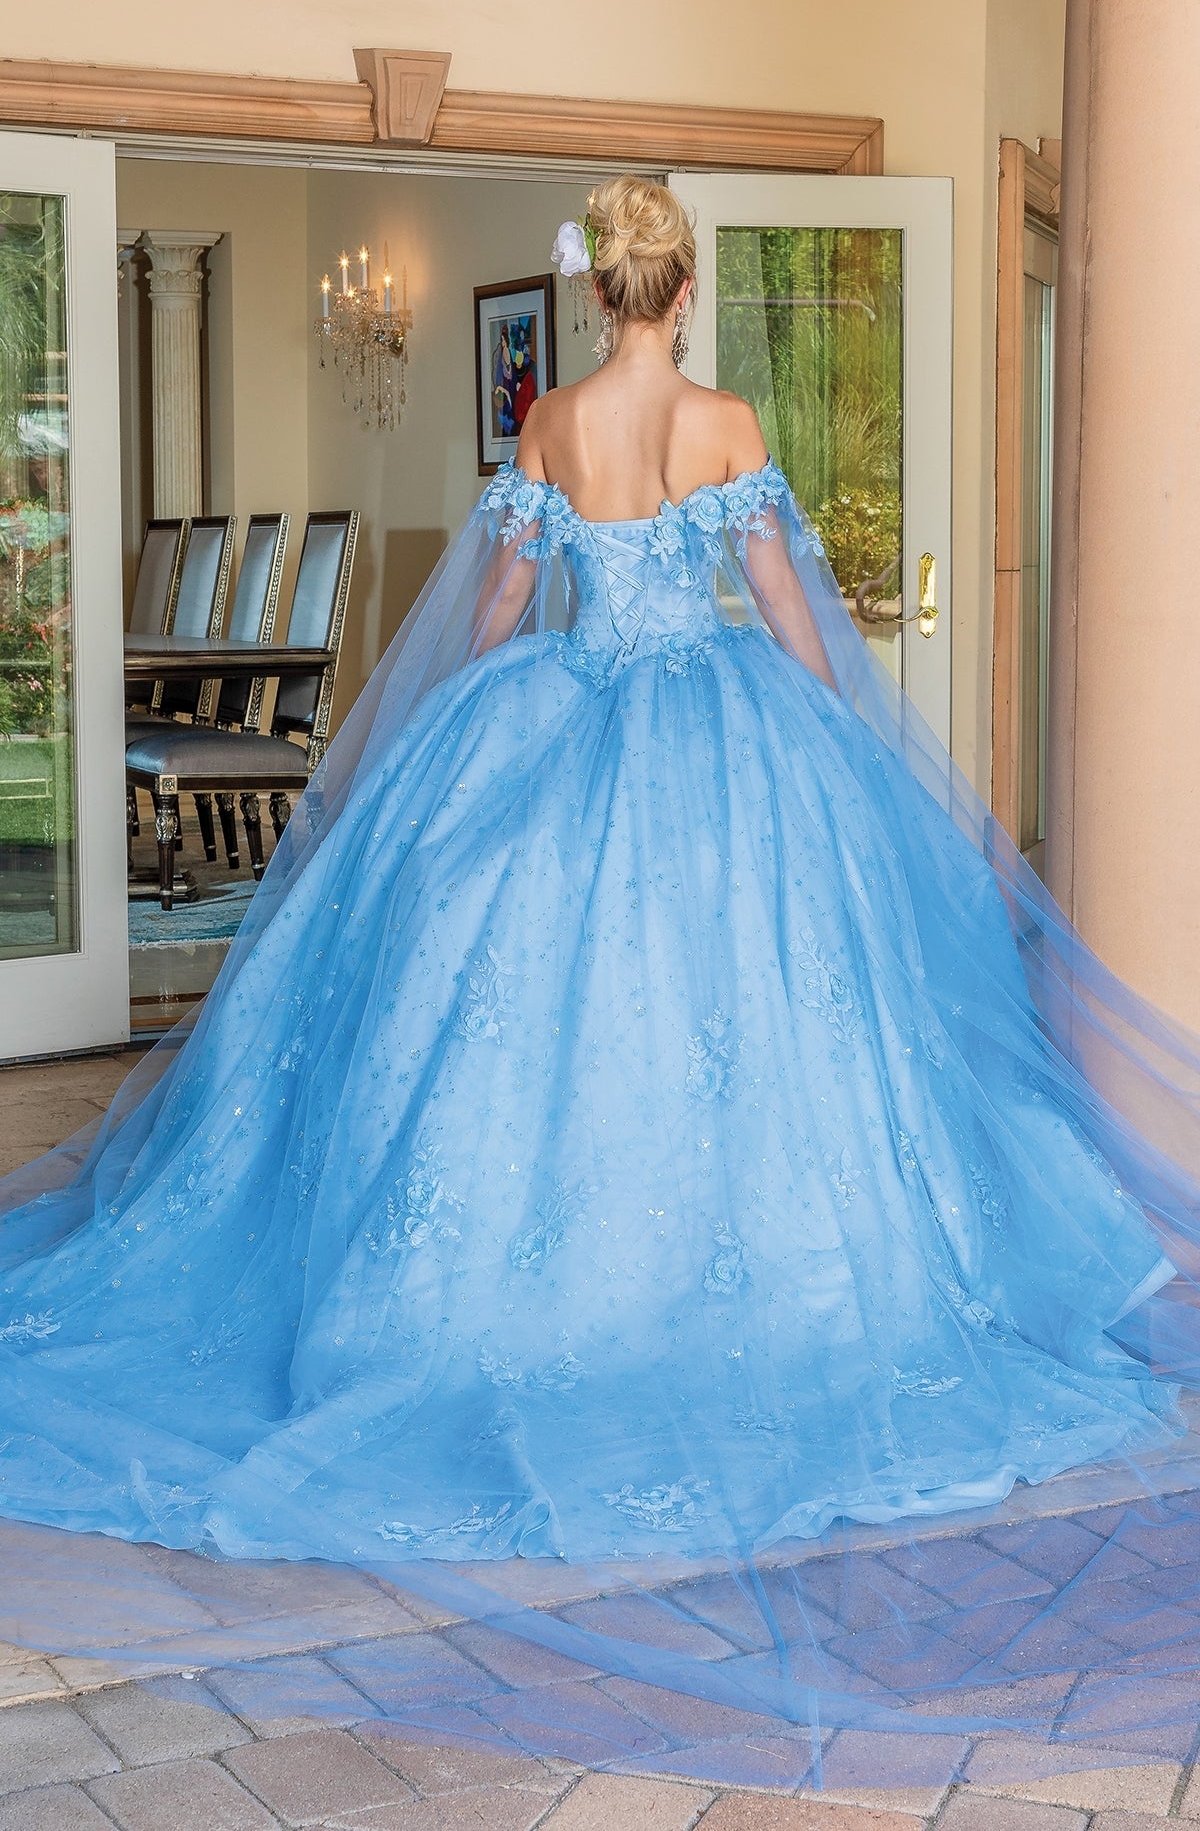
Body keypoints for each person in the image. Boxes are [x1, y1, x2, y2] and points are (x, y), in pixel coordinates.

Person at [1, 176, 1199, 1772]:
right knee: (746, 1023)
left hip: (563, 721)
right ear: (682, 290)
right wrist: (838, 733)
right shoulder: (726, 420)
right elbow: (779, 608)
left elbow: (501, 603)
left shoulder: (552, 424)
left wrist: (457, 740)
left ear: (593, 296)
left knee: (527, 1035)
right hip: (716, 740)